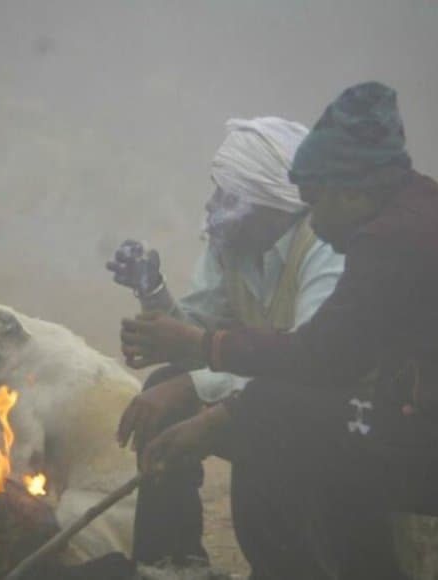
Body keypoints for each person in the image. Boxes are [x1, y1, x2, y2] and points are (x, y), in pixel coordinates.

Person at [119, 82, 438, 579]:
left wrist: (209, 378)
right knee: (206, 394)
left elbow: (323, 361)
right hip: (398, 411)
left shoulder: (374, 242)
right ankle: (173, 565)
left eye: (314, 202)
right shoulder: (403, 211)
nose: (311, 215)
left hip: (409, 431)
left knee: (267, 415)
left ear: (351, 193)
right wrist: (161, 305)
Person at [106, 117, 344, 571]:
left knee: (257, 421)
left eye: (229, 196)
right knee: (166, 383)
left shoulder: (324, 247)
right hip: (270, 388)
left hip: (327, 407)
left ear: (272, 202)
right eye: (216, 191)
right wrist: (151, 292)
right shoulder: (233, 245)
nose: (213, 206)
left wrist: (194, 387)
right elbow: (197, 337)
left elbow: (311, 361)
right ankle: (171, 561)